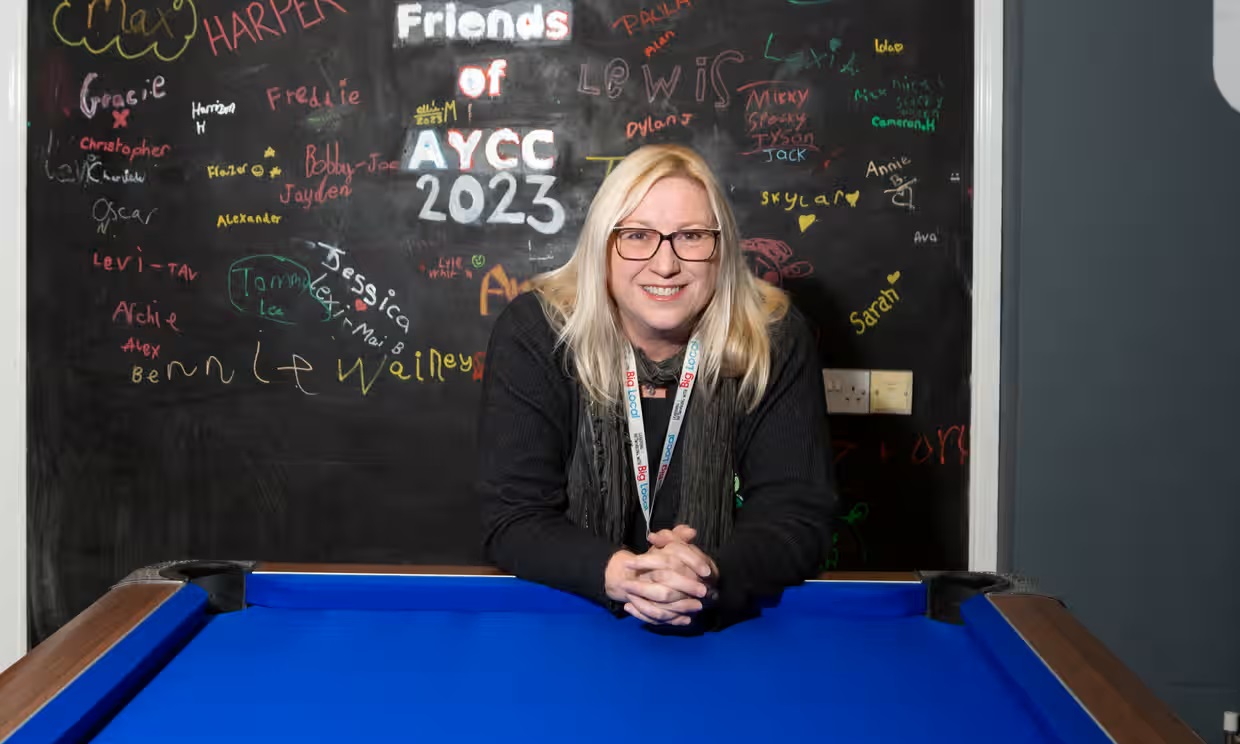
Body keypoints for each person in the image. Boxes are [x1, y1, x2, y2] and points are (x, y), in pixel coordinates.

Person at [476, 144, 836, 630]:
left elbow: (797, 515)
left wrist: (709, 574)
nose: (664, 265)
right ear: (603, 246)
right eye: (638, 235)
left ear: (720, 249)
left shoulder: (772, 335)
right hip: (568, 619)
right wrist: (624, 574)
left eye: (691, 236)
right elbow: (511, 517)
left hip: (723, 622)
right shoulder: (537, 334)